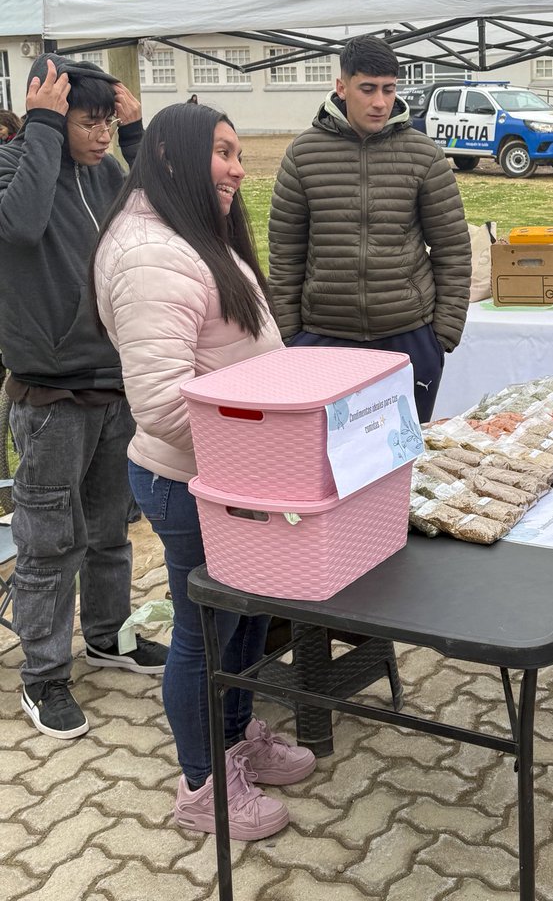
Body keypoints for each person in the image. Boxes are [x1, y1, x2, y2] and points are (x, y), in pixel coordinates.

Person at [93, 103, 316, 840]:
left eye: (237, 153)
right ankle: (202, 787)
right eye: (222, 152)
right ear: (171, 157)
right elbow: (158, 403)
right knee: (205, 629)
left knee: (247, 616)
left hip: (237, 477)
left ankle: (236, 738)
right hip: (194, 483)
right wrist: (273, 443)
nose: (237, 169)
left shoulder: (186, 235)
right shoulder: (151, 255)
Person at [0, 53, 168, 742]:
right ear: (53, 112)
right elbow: (20, 228)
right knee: (49, 542)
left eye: (107, 122)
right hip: (51, 395)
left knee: (110, 534)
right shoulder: (16, 166)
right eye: (89, 122)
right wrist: (39, 126)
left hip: (114, 385)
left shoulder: (105, 171)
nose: (100, 135)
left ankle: (107, 637)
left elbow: (155, 223)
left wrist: (133, 141)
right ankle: (43, 675)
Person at [268, 35, 471, 422]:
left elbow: (453, 248)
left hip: (409, 335)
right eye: (368, 89)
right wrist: (291, 334)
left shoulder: (423, 154)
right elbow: (285, 252)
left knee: (403, 457)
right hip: (323, 338)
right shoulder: (303, 155)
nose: (380, 102)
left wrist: (442, 334)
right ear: (341, 87)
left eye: (389, 89)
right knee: (327, 463)